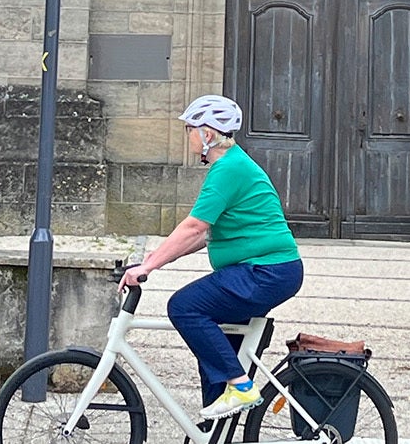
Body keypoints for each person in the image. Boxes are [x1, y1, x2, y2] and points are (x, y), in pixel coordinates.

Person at [122, 95, 304, 423]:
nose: (188, 135)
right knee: (216, 353)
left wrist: (148, 266)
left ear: (207, 134)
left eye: (190, 129)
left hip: (266, 271)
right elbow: (205, 236)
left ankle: (241, 387)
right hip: (263, 270)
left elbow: (194, 227)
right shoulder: (233, 165)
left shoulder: (228, 169)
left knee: (185, 307)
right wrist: (156, 258)